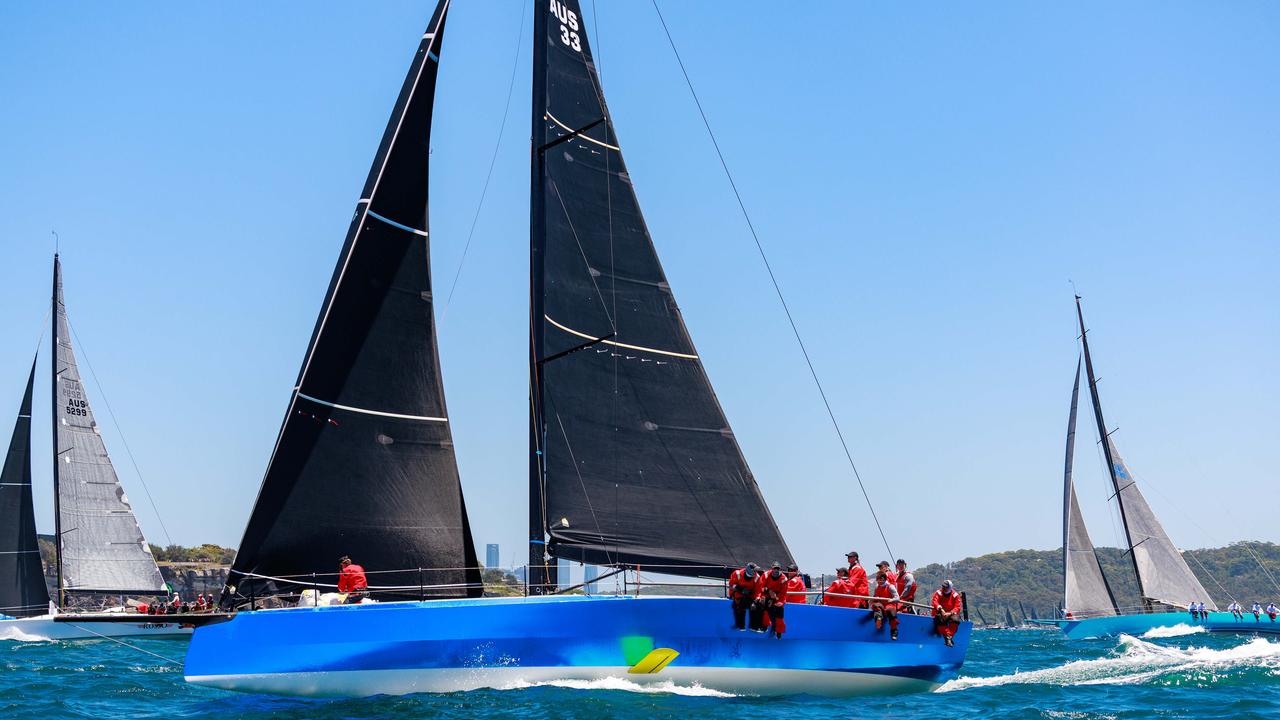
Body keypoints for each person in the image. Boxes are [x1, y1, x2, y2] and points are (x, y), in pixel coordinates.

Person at [757, 562, 790, 638]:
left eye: (778, 568)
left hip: (778, 598)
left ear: (780, 569)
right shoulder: (765, 575)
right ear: (772, 568)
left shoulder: (784, 579)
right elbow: (760, 587)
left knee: (779, 610)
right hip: (766, 594)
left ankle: (779, 631)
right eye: (775, 568)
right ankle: (764, 626)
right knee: (762, 605)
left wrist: (774, 599)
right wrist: (768, 591)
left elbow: (783, 593)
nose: (776, 570)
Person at [728, 562, 762, 630]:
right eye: (754, 570)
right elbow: (731, 585)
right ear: (749, 570)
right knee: (739, 605)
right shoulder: (737, 574)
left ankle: (754, 627)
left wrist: (755, 601)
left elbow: (758, 591)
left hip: (750, 596)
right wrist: (741, 589)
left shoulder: (757, 577)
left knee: (759, 606)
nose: (756, 572)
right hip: (738, 595)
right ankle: (740, 626)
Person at [871, 570, 900, 640]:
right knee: (876, 606)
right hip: (880, 604)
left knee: (890, 611)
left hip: (889, 604)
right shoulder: (877, 587)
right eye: (877, 579)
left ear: (884, 579)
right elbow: (874, 597)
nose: (878, 581)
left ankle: (894, 631)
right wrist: (874, 599)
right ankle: (878, 619)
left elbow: (897, 598)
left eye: (880, 579)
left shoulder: (890, 586)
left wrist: (891, 600)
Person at [932, 580, 963, 647]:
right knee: (940, 620)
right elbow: (935, 602)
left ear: (950, 587)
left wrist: (950, 613)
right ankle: (947, 638)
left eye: (946, 587)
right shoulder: (938, 593)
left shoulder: (955, 595)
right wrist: (940, 608)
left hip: (950, 613)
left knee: (956, 620)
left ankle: (948, 637)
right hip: (940, 613)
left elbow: (957, 607)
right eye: (943, 587)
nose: (944, 589)